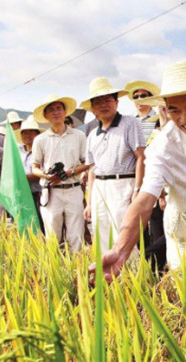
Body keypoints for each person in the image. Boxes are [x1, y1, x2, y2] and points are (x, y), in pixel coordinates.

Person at [88, 60, 186, 278]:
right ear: (165, 108)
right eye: (174, 110)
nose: (185, 119)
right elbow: (144, 200)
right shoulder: (162, 148)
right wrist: (121, 250)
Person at [81, 77, 146, 252]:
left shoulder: (130, 123)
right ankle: (108, 275)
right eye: (98, 102)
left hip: (123, 184)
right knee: (101, 233)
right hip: (99, 187)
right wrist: (89, 202)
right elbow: (92, 168)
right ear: (92, 109)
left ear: (116, 102)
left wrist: (137, 190)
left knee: (123, 234)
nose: (103, 105)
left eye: (108, 100)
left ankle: (131, 276)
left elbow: (141, 157)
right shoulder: (93, 134)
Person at [32, 95, 90, 252]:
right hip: (51, 192)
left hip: (74, 189)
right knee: (52, 236)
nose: (56, 112)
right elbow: (34, 167)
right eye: (51, 110)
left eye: (59, 108)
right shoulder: (40, 139)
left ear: (65, 112)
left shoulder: (79, 136)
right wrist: (46, 176)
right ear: (45, 116)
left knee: (76, 236)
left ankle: (78, 271)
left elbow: (87, 162)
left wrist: (70, 172)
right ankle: (54, 272)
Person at [125, 80, 168, 270]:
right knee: (141, 223)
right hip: (136, 177)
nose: (140, 99)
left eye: (144, 95)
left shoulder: (160, 118)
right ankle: (147, 264)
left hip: (157, 178)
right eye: (136, 96)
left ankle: (155, 262)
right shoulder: (130, 122)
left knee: (160, 224)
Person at [15, 116, 45, 231]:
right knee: (25, 222)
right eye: (25, 133)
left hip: (38, 192)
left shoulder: (42, 149)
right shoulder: (18, 150)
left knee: (40, 221)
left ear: (37, 134)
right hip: (22, 193)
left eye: (31, 133)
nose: (27, 136)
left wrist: (22, 178)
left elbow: (43, 171)